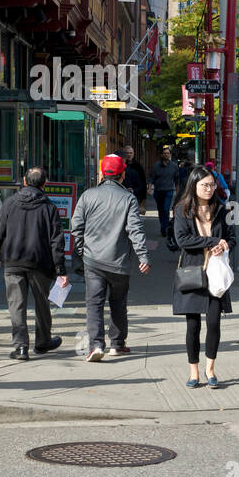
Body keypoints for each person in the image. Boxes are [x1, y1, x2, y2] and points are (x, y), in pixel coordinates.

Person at [71, 153, 150, 361]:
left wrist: (81, 251)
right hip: (119, 261)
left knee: (94, 303)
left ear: (102, 173)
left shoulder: (88, 195)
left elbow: (76, 227)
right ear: (122, 174)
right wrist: (143, 256)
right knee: (118, 303)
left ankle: (96, 345)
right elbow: (135, 229)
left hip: (93, 260)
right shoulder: (128, 198)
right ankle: (117, 343)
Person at [0, 166, 67, 360]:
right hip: (40, 262)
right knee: (42, 304)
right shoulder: (49, 207)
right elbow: (56, 241)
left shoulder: (9, 203)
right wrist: (61, 269)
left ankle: (21, 347)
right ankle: (42, 342)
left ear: (24, 182)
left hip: (13, 261)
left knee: (16, 305)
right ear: (44, 184)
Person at [172, 166, 235, 388]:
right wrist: (212, 242)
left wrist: (224, 244)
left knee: (214, 321)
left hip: (216, 273)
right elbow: (182, 240)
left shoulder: (223, 209)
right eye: (204, 185)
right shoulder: (182, 210)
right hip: (193, 272)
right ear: (194, 185)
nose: (209, 189)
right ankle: (193, 372)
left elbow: (232, 238)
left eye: (212, 184)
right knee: (193, 326)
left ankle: (210, 369)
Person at [150, 146, 179, 239]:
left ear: (170, 155)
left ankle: (164, 228)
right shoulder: (156, 166)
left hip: (169, 191)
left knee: (166, 209)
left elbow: (177, 180)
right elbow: (152, 178)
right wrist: (149, 188)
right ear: (162, 155)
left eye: (168, 153)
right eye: (164, 153)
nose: (166, 155)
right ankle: (163, 225)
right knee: (160, 209)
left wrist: (178, 192)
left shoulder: (174, 166)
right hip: (158, 191)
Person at [123, 145, 148, 212]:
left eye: (131, 153)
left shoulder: (138, 166)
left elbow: (143, 182)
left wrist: (143, 198)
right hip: (123, 195)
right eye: (127, 153)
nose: (129, 155)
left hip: (136, 194)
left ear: (133, 154)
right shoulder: (121, 166)